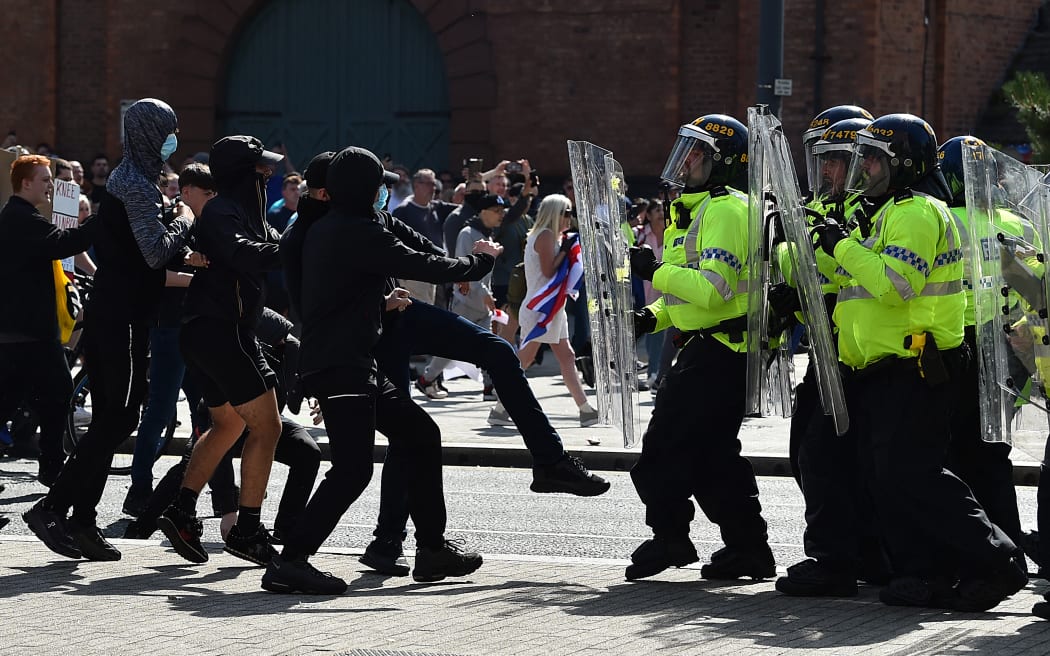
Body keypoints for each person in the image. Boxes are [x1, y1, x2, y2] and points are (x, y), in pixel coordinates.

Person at [263, 146, 499, 594]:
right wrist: (479, 263)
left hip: (351, 362)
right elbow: (424, 264)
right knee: (353, 470)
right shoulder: (352, 230)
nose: (381, 196)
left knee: (421, 435)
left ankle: (431, 548)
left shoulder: (329, 228)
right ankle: (290, 560)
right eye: (377, 187)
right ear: (362, 189)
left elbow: (341, 291)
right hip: (341, 364)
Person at [815, 113, 1025, 610]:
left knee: (917, 475)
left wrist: (838, 243)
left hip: (916, 365)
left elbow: (896, 283)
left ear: (904, 165)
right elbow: (852, 275)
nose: (861, 167)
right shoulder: (883, 212)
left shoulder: (914, 212)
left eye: (872, 158)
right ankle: (923, 572)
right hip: (883, 368)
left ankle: (997, 560)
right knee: (888, 477)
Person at [22, 99, 192, 561]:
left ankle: (81, 521)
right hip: (122, 317)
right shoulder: (134, 182)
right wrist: (185, 219)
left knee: (112, 419)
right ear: (149, 133)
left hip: (123, 313)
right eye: (168, 130)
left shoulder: (137, 180)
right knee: (120, 419)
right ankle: (54, 507)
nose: (173, 138)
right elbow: (155, 252)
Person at [627, 114, 775, 582]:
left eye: (697, 153)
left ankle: (670, 536)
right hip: (712, 345)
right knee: (713, 460)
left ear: (724, 164)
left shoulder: (727, 210)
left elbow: (713, 291)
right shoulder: (696, 208)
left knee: (661, 451)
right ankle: (748, 550)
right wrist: (653, 316)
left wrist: (653, 272)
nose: (684, 161)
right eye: (683, 150)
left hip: (720, 353)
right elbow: (695, 300)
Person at [774, 114, 893, 597]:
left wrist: (810, 253)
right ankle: (864, 552)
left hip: (858, 353)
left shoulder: (863, 211)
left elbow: (841, 269)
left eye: (837, 162)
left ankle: (836, 559)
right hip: (828, 349)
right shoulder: (825, 208)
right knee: (810, 453)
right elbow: (799, 262)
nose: (825, 172)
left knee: (822, 455)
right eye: (820, 160)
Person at [157, 135, 288, 567]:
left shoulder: (244, 210)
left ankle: (180, 512)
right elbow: (244, 253)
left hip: (214, 332)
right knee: (267, 428)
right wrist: (295, 242)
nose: (268, 173)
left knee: (228, 424)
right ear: (240, 173)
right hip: (221, 333)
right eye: (260, 168)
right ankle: (247, 530)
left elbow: (277, 245)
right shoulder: (220, 211)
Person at [937, 135, 1029, 547]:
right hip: (1011, 345)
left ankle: (979, 549)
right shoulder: (1018, 224)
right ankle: (1008, 541)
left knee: (954, 455)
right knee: (994, 453)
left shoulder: (944, 218)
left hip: (961, 343)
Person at [122, 163, 215, 516]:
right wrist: (199, 276)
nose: (211, 201)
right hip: (169, 327)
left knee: (205, 410)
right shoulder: (167, 220)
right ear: (187, 191)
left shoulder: (199, 223)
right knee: (160, 410)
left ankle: (199, 488)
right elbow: (156, 274)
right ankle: (139, 490)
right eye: (206, 194)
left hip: (193, 327)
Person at [0, 155, 96, 492]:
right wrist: (103, 219)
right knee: (57, 393)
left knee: (17, 399)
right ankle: (52, 467)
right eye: (44, 180)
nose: (50, 185)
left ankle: (51, 465)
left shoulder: (17, 217)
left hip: (21, 332)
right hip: (31, 333)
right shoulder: (21, 218)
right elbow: (66, 242)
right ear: (26, 183)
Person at [502, 194, 598, 428]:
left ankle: (585, 409)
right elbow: (548, 272)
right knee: (525, 360)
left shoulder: (551, 235)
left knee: (566, 357)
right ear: (554, 214)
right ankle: (500, 406)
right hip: (541, 308)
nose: (570, 217)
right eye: (566, 213)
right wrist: (566, 251)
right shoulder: (545, 235)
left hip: (552, 307)